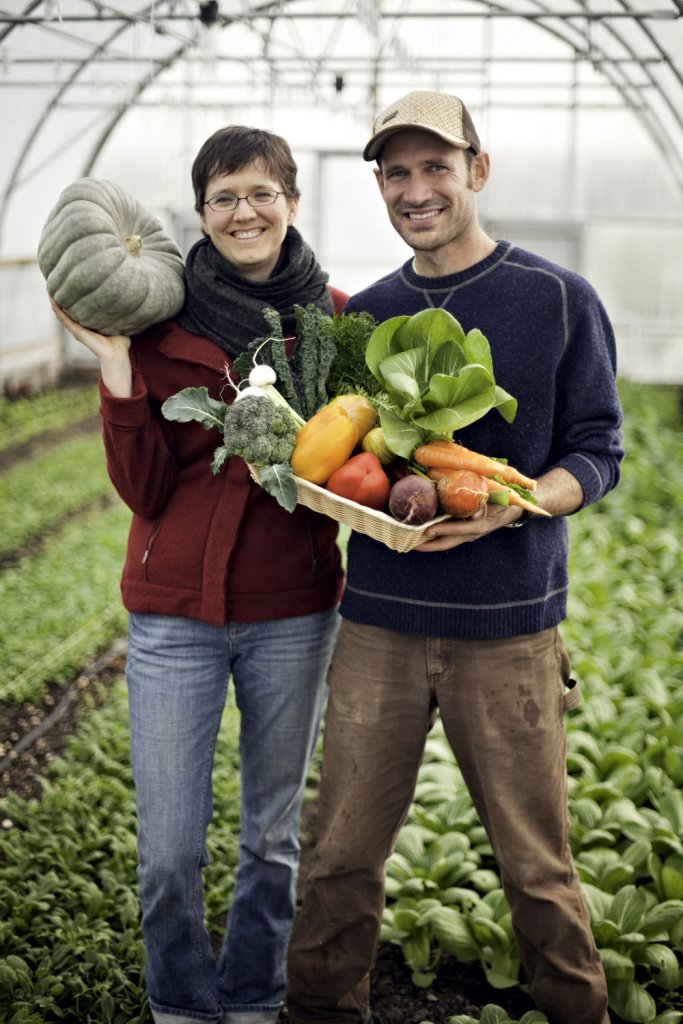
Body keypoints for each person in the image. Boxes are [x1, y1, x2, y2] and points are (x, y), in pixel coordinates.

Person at [286, 91, 623, 1024]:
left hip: (509, 631)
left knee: (535, 865)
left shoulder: (557, 298)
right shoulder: (371, 314)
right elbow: (356, 461)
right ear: (382, 189)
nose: (416, 189)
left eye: (436, 166)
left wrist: (515, 503)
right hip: (381, 624)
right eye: (396, 172)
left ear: (477, 170)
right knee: (340, 854)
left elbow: (599, 450)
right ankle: (317, 1011)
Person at [50, 125, 347, 1024]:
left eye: (260, 193)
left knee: (272, 838)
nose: (243, 211)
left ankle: (254, 1000)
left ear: (290, 202)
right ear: (202, 214)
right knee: (169, 853)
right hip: (174, 615)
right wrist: (112, 369)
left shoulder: (332, 319)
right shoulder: (155, 322)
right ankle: (180, 1006)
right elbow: (141, 489)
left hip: (291, 612)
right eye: (223, 198)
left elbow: (352, 479)